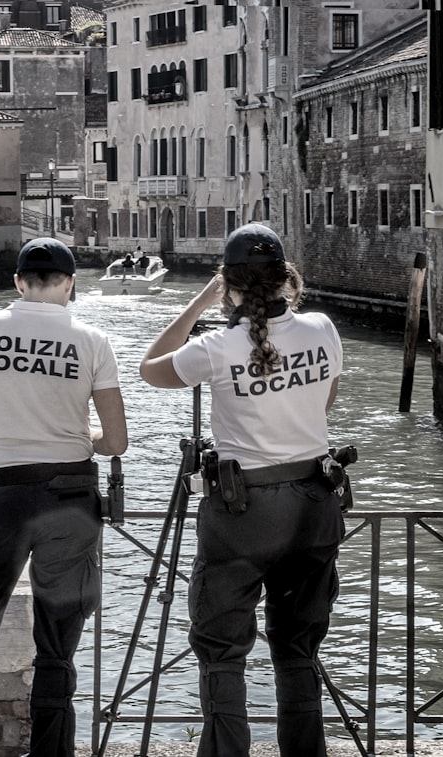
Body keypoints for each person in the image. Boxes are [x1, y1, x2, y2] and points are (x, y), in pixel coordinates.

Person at [138, 223, 346, 757]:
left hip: (243, 511)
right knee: (298, 646)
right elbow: (322, 406)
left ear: (229, 284)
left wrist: (199, 301)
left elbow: (148, 368)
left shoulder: (215, 346)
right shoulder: (322, 329)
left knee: (223, 649)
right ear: (288, 280)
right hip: (313, 502)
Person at [0, 237, 128, 757]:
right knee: (57, 642)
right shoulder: (93, 340)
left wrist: (4, 425)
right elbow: (116, 441)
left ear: (17, 282)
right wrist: (79, 439)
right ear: (70, 283)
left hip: (3, 498)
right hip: (70, 500)